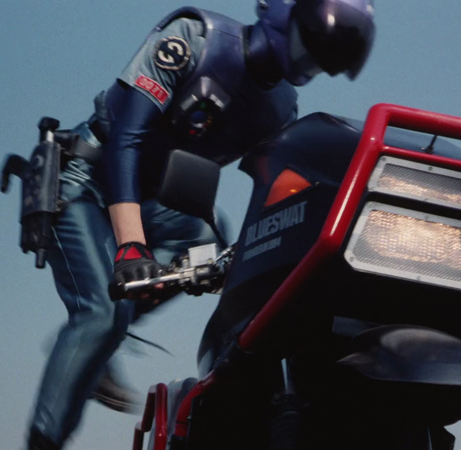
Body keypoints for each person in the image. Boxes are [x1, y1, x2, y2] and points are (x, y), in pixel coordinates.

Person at [25, 0, 375, 448]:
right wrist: (131, 246)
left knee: (209, 242)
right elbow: (127, 140)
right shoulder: (194, 39)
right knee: (101, 313)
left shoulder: (282, 107)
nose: (308, 61)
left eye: (320, 58)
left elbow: (271, 195)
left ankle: (97, 345)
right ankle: (46, 434)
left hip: (153, 201)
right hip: (86, 179)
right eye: (307, 44)